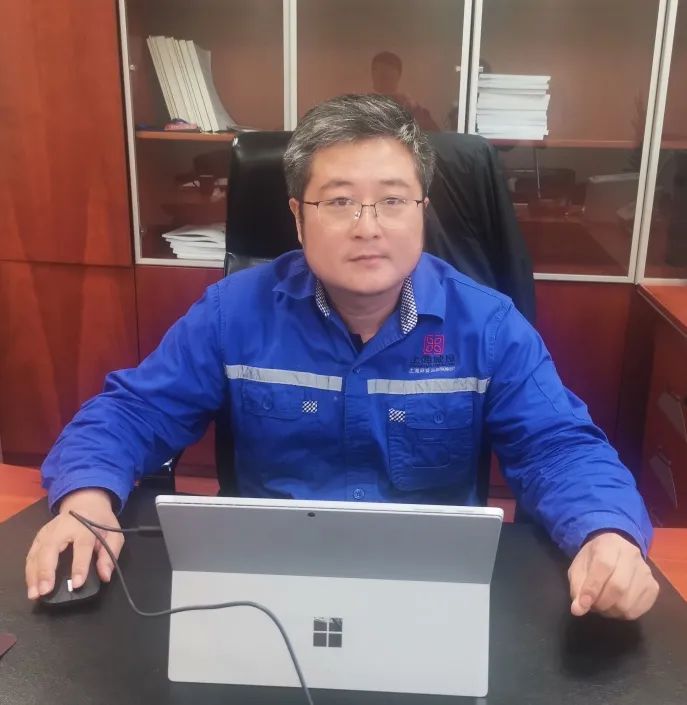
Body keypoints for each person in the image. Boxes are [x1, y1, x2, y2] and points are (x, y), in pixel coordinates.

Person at [26, 94, 658, 621]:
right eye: (338, 201)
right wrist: (87, 495)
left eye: (392, 200)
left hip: (429, 591)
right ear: (298, 218)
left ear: (422, 212)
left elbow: (557, 446)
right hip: (261, 590)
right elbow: (134, 412)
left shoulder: (487, 327)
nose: (367, 226)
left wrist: (606, 532)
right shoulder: (233, 314)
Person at [371, 51, 439, 131]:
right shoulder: (366, 106)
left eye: (385, 73)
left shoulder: (414, 108)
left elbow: (435, 134)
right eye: (375, 70)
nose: (379, 77)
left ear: (398, 75)